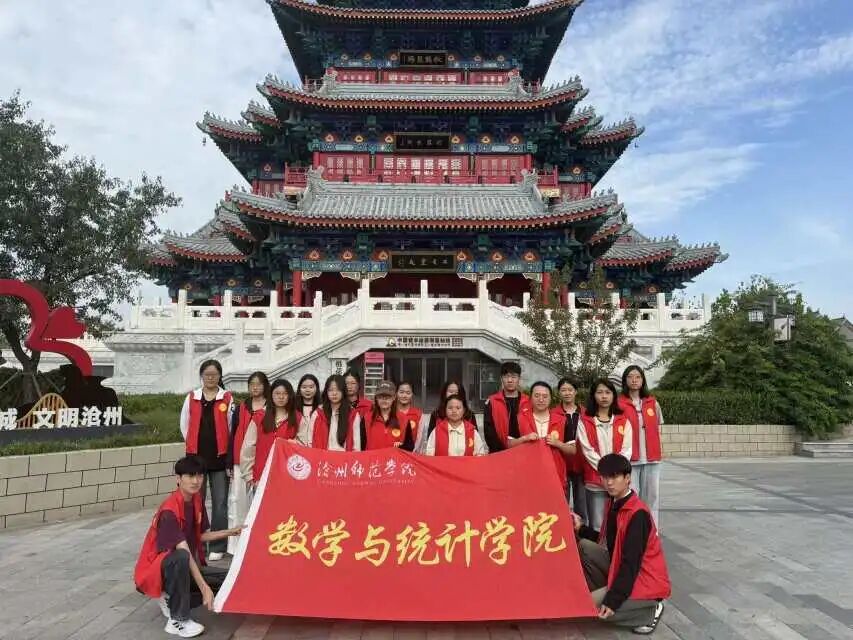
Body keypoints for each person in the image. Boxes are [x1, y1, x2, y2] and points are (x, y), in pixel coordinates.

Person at [134, 455, 244, 638]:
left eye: (199, 476)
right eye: (190, 476)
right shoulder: (169, 511)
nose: (196, 481)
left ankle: (170, 597)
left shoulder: (196, 500)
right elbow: (183, 549)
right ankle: (177, 620)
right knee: (182, 558)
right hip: (157, 570)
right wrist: (204, 587)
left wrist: (231, 532)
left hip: (180, 565)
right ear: (178, 479)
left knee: (229, 580)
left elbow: (198, 536)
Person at [575, 453, 670, 635]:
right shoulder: (614, 503)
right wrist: (581, 529)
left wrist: (612, 600)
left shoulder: (637, 514)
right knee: (585, 547)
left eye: (615, 477)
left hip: (643, 579)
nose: (609, 483)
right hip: (620, 567)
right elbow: (608, 541)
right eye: (605, 477)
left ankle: (650, 610)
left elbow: (631, 564)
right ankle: (610, 593)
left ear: (627, 478)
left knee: (588, 608)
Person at [178, 359, 233, 561]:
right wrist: (192, 445)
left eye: (214, 375)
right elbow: (184, 424)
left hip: (219, 458)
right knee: (195, 501)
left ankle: (217, 545)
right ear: (201, 376)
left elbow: (231, 426)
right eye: (207, 374)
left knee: (220, 503)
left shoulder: (227, 398)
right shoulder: (192, 397)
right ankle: (196, 541)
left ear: (220, 376)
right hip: (196, 460)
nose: (210, 378)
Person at [577, 378, 633, 531]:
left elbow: (627, 449)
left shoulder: (623, 421)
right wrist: (607, 471)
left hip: (619, 482)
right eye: (600, 392)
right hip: (595, 481)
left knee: (620, 525)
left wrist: (615, 472)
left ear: (613, 395)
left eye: (608, 392)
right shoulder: (585, 421)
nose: (604, 396)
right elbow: (587, 450)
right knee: (597, 526)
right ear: (593, 396)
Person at [226, 371, 268, 555]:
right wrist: (229, 462)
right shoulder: (241, 407)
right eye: (252, 384)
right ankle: (235, 546)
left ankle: (256, 543)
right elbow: (232, 434)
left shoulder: (271, 407)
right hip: (239, 460)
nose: (255, 387)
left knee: (258, 503)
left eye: (259, 384)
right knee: (237, 501)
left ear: (265, 386)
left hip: (262, 462)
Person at [618, 365, 664, 527]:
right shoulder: (619, 404)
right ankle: (634, 529)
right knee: (632, 496)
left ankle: (652, 530)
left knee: (652, 497)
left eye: (638, 377)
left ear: (643, 380)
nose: (634, 380)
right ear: (625, 380)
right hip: (630, 459)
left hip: (651, 459)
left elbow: (658, 427)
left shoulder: (652, 403)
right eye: (630, 377)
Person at [240, 379, 306, 487]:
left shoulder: (298, 418)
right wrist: (248, 475)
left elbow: (305, 445)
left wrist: (292, 444)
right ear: (271, 395)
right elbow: (248, 447)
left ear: (290, 396)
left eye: (285, 393)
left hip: (288, 476)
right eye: (277, 393)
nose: (281, 397)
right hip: (261, 476)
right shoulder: (259, 416)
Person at [517, 381, 576, 489]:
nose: (541, 399)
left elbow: (572, 450)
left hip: (555, 475)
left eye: (545, 396)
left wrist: (558, 443)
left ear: (550, 398)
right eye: (537, 396)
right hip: (527, 475)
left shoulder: (563, 420)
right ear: (530, 398)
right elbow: (509, 445)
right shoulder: (520, 418)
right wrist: (524, 439)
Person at [555, 376, 588, 524]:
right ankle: (564, 532)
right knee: (562, 504)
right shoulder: (553, 413)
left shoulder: (585, 413)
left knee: (582, 505)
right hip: (561, 464)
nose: (567, 393)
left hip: (582, 464)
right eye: (563, 390)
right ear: (559, 392)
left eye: (570, 390)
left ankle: (583, 533)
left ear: (576, 392)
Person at [483, 361, 530, 452]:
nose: (510, 380)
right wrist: (502, 452)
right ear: (501, 378)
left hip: (524, 452)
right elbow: (489, 433)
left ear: (519, 378)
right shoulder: (492, 401)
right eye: (506, 376)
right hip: (499, 453)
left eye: (513, 377)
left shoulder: (528, 402)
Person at [424, 394, 488, 456]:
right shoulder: (436, 431)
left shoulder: (472, 432)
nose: (454, 411)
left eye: (458, 408)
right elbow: (429, 456)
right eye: (450, 408)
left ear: (464, 410)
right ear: (445, 410)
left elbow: (480, 454)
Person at [365, 380, 415, 450]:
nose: (384, 400)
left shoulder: (404, 419)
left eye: (388, 397)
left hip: (394, 457)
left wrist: (402, 446)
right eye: (381, 396)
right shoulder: (366, 418)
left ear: (394, 397)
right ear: (376, 398)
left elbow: (410, 446)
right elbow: (361, 447)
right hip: (372, 457)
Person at [320, 374, 363, 451]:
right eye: (330, 390)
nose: (334, 393)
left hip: (344, 457)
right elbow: (311, 442)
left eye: (338, 390)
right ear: (326, 392)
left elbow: (356, 446)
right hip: (322, 457)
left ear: (343, 391)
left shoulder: (352, 414)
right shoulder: (318, 413)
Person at [295, 373, 327, 448]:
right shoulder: (294, 409)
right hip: (297, 449)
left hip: (317, 449)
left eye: (311, 387)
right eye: (304, 387)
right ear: (299, 389)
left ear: (317, 388)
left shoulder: (322, 409)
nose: (307, 390)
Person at [396, 380, 423, 447]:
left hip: (411, 451)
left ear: (412, 395)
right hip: (392, 450)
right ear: (396, 393)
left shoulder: (418, 414)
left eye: (408, 393)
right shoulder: (391, 413)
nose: (404, 395)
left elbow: (420, 438)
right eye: (401, 392)